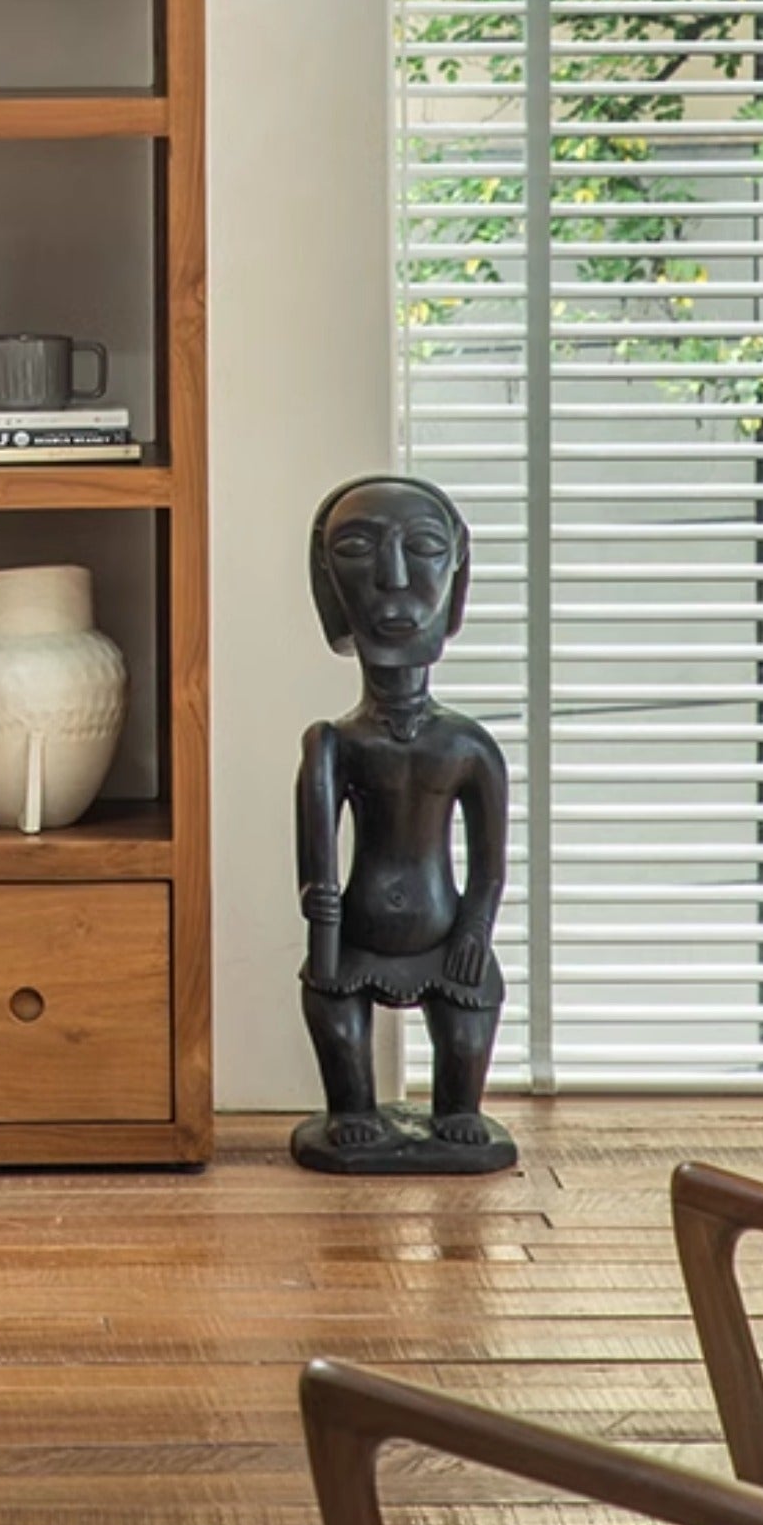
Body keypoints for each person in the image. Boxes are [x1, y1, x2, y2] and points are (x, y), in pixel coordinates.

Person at [293, 474, 515, 1172]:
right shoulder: (333, 744)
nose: (392, 578)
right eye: (358, 550)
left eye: (422, 547)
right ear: (328, 584)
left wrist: (474, 933)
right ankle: (353, 1108)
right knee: (331, 1011)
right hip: (356, 945)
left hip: (447, 942)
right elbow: (317, 874)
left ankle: (456, 1108)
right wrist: (323, 937)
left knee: (472, 1020)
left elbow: (490, 868)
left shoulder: (468, 747)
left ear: (457, 573)